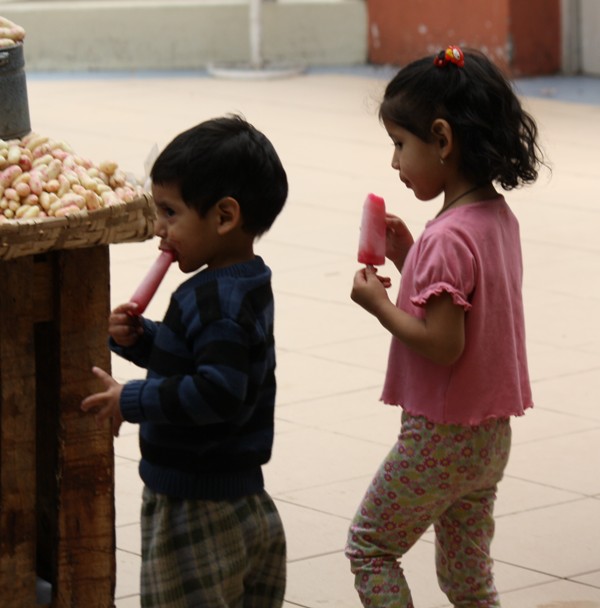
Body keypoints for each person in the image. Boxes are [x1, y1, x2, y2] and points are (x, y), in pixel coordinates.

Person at [345, 46, 545, 607]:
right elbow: (464, 310)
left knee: (371, 547)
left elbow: (443, 341)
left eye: (399, 145)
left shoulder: (447, 236)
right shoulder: (495, 219)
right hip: (488, 438)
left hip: (438, 438)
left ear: (442, 139)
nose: (394, 163)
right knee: (466, 578)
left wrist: (380, 307)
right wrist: (409, 254)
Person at [81, 114, 289, 607]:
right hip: (239, 499)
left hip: (196, 506)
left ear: (223, 216)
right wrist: (141, 340)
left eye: (170, 213)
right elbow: (205, 359)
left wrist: (130, 399)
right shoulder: (243, 285)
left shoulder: (213, 301)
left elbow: (216, 391)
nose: (159, 229)